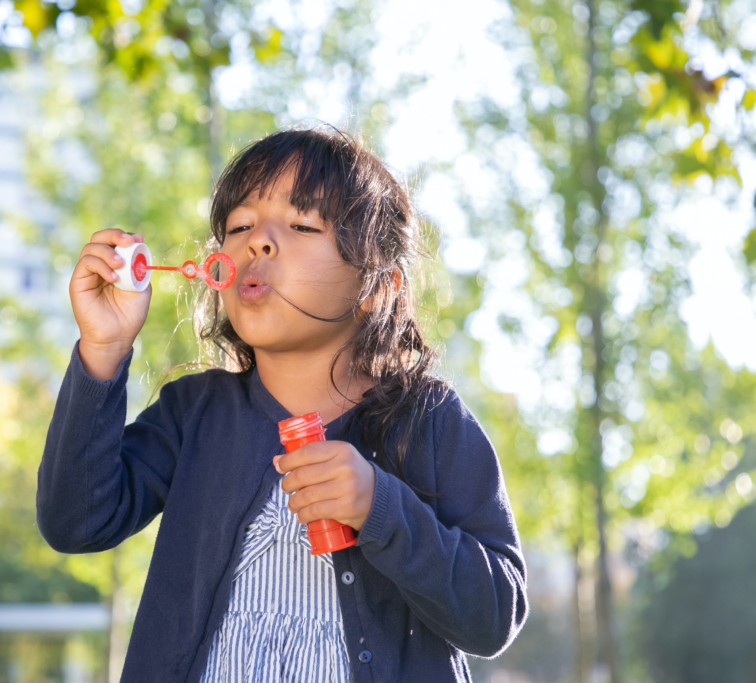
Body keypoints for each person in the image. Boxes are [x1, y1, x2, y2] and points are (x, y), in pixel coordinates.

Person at [37, 127, 528, 683]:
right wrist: (103, 349)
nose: (258, 242)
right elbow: (75, 523)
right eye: (240, 226)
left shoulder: (428, 420)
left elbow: (495, 614)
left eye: (302, 225)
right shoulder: (194, 413)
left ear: (378, 287)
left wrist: (381, 507)